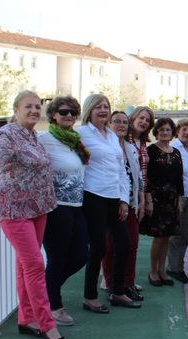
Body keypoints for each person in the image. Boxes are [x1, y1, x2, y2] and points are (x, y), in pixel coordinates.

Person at [0, 90, 65, 339]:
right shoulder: (8, 134)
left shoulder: (33, 136)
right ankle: (47, 324)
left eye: (37, 106)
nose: (35, 110)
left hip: (37, 208)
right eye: (29, 106)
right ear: (16, 109)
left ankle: (26, 318)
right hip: (14, 210)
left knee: (25, 265)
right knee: (35, 264)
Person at [77, 94, 139, 312]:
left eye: (106, 106)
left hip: (114, 198)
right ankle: (90, 296)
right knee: (98, 248)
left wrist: (124, 200)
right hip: (93, 196)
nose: (103, 110)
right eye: (98, 107)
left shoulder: (112, 136)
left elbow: (121, 170)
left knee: (123, 244)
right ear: (89, 110)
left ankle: (118, 291)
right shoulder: (81, 133)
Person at [37, 96, 89, 327]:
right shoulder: (44, 139)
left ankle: (47, 291)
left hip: (77, 206)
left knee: (80, 256)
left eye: (73, 113)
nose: (69, 116)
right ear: (54, 115)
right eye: (64, 112)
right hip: (56, 207)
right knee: (57, 258)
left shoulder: (74, 141)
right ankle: (54, 307)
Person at [100, 111, 144, 302]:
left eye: (125, 122)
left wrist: (140, 201)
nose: (121, 125)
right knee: (110, 247)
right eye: (117, 121)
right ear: (109, 124)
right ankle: (111, 284)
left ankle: (128, 283)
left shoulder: (130, 148)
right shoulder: (104, 147)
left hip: (130, 204)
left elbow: (137, 177)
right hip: (110, 204)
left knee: (132, 245)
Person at [139, 118, 184, 287]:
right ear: (156, 131)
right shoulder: (151, 150)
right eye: (162, 129)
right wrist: (148, 199)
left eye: (168, 130)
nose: (165, 132)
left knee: (167, 237)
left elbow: (179, 178)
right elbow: (146, 177)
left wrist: (179, 200)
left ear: (173, 133)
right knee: (158, 237)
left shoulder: (176, 152)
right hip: (156, 199)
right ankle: (153, 271)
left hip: (172, 199)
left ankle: (162, 270)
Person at [166, 119, 188, 283]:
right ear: (177, 131)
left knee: (186, 233)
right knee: (176, 234)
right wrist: (177, 198)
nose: (187, 133)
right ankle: (173, 268)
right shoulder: (174, 148)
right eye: (184, 130)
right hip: (179, 196)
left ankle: (177, 267)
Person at [127, 106, 154, 220]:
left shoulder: (143, 143)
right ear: (133, 118)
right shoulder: (124, 140)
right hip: (126, 193)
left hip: (139, 194)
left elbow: (144, 174)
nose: (144, 122)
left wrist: (146, 199)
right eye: (141, 118)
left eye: (147, 120)